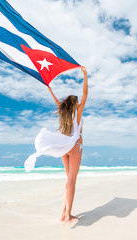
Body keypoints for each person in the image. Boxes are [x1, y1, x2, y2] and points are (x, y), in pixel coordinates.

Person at [46, 66, 88, 223]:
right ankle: (68, 215)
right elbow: (85, 94)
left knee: (68, 180)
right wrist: (85, 74)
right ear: (75, 103)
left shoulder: (64, 113)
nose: (79, 103)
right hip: (75, 147)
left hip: (63, 146)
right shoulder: (78, 112)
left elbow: (58, 103)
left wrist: (51, 91)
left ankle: (64, 212)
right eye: (77, 102)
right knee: (72, 181)